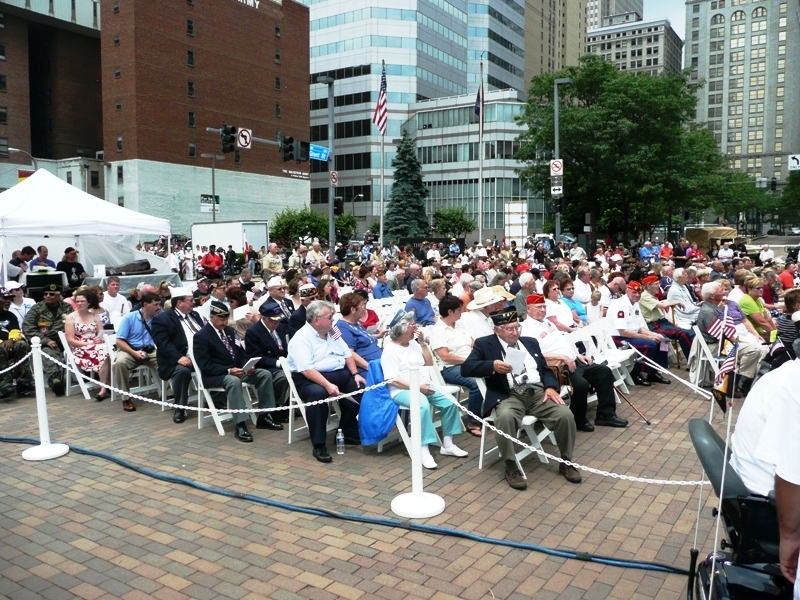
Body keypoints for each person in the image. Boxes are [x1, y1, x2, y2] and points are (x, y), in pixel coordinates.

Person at [461, 306, 582, 489]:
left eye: (517, 327)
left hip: (537, 392)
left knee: (565, 415)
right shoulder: (485, 344)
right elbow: (466, 368)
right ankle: (510, 466)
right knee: (506, 417)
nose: (515, 332)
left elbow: (545, 370)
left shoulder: (530, 342)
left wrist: (550, 387)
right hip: (508, 394)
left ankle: (566, 461)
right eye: (509, 329)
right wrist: (492, 365)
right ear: (497, 330)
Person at [521, 293, 627, 431]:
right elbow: (535, 355)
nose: (542, 310)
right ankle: (578, 419)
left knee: (604, 372)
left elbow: (563, 342)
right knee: (580, 384)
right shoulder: (527, 330)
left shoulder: (547, 322)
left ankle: (605, 414)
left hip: (573, 360)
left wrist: (578, 355)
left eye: (543, 306)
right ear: (528, 309)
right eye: (538, 307)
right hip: (556, 368)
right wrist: (562, 357)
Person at [381, 311, 467, 469]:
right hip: (402, 389)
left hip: (424, 384)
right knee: (422, 406)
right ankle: (423, 450)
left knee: (450, 402)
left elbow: (428, 363)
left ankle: (448, 444)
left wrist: (422, 343)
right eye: (412, 324)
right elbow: (392, 379)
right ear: (402, 329)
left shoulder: (413, 343)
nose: (416, 326)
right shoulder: (390, 350)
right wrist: (417, 387)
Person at [193, 301, 285, 441]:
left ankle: (264, 415)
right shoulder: (202, 336)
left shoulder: (230, 331)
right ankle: (240, 424)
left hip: (238, 370)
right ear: (212, 318)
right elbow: (205, 365)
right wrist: (228, 370)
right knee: (233, 381)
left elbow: (241, 353)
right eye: (221, 320)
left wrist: (248, 366)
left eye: (226, 319)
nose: (225, 323)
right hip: (218, 375)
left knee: (264, 374)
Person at [287, 301, 363, 463]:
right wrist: (327, 385)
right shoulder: (301, 338)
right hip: (310, 378)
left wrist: (355, 373)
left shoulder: (332, 331)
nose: (333, 320)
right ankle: (319, 444)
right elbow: (306, 369)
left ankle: (346, 431)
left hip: (338, 373)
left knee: (360, 388)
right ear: (316, 320)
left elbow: (346, 353)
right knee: (318, 395)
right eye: (330, 317)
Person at [429, 294, 483, 437]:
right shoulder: (438, 330)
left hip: (469, 361)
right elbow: (445, 356)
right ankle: (473, 421)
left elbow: (472, 343)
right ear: (450, 312)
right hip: (450, 367)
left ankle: (489, 412)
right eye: (459, 310)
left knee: (493, 372)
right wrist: (468, 361)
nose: (462, 312)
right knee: (476, 383)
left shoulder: (459, 324)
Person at [150, 287, 204, 424]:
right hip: (178, 359)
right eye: (191, 300)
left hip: (200, 357)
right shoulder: (162, 319)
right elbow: (163, 343)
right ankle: (180, 407)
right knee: (182, 371)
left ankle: (217, 399)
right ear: (180, 303)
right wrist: (179, 357)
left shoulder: (196, 315)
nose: (194, 303)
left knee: (219, 363)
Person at [606, 280, 671, 386]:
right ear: (627, 291)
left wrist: (652, 334)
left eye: (639, 293)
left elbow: (639, 327)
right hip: (618, 338)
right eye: (634, 292)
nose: (637, 295)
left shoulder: (635, 303)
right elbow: (623, 332)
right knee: (650, 344)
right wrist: (647, 337)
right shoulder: (620, 305)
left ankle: (654, 371)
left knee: (663, 339)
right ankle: (636, 373)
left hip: (631, 335)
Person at [113, 291, 161, 412]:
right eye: (155, 305)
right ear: (145, 304)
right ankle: (126, 398)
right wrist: (134, 353)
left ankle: (171, 392)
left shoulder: (159, 318)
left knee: (166, 360)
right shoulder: (130, 318)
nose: (158, 307)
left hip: (149, 350)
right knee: (120, 363)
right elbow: (119, 341)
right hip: (130, 349)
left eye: (159, 304)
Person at [243, 303, 291, 423]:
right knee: (284, 377)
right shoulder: (254, 332)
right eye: (273, 321)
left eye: (278, 321)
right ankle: (275, 408)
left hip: (283, 362)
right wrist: (278, 363)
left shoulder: (279, 328)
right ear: (264, 318)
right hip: (266, 366)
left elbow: (283, 349)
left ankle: (285, 405)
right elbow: (256, 356)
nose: (276, 323)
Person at [22, 283, 72, 395]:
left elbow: (74, 323)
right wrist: (46, 340)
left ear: (58, 296)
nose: (48, 296)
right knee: (50, 354)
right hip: (45, 341)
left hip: (66, 340)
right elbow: (28, 328)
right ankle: (55, 381)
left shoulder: (67, 308)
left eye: (51, 294)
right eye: (45, 294)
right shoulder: (37, 309)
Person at [64, 289, 110, 401]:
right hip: (80, 348)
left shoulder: (94, 315)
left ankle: (105, 386)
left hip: (96, 345)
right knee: (105, 352)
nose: (79, 303)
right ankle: (106, 387)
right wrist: (89, 343)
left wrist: (100, 340)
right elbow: (71, 340)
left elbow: (101, 333)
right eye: (77, 301)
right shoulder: (71, 318)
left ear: (89, 302)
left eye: (82, 301)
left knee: (108, 350)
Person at [638, 274, 695, 359]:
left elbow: (663, 313)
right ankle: (666, 361)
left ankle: (693, 357)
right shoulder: (644, 296)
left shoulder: (653, 296)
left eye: (658, 283)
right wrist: (677, 302)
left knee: (690, 332)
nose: (659, 286)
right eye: (656, 284)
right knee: (678, 335)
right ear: (648, 286)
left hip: (663, 322)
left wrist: (674, 323)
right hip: (655, 325)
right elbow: (662, 306)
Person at [336, 293, 384, 376]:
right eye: (362, 306)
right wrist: (370, 367)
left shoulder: (356, 322)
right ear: (353, 310)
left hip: (381, 362)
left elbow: (363, 338)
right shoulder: (342, 327)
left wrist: (378, 336)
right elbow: (349, 353)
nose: (365, 309)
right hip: (370, 368)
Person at [0, 288, 34, 398]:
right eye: (4, 298)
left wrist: (12, 340)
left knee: (21, 345)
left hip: (9, 344)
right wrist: (2, 342)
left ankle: (24, 382)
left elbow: (15, 330)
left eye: (10, 298)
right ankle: (5, 384)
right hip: (1, 346)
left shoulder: (10, 315)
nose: (8, 301)